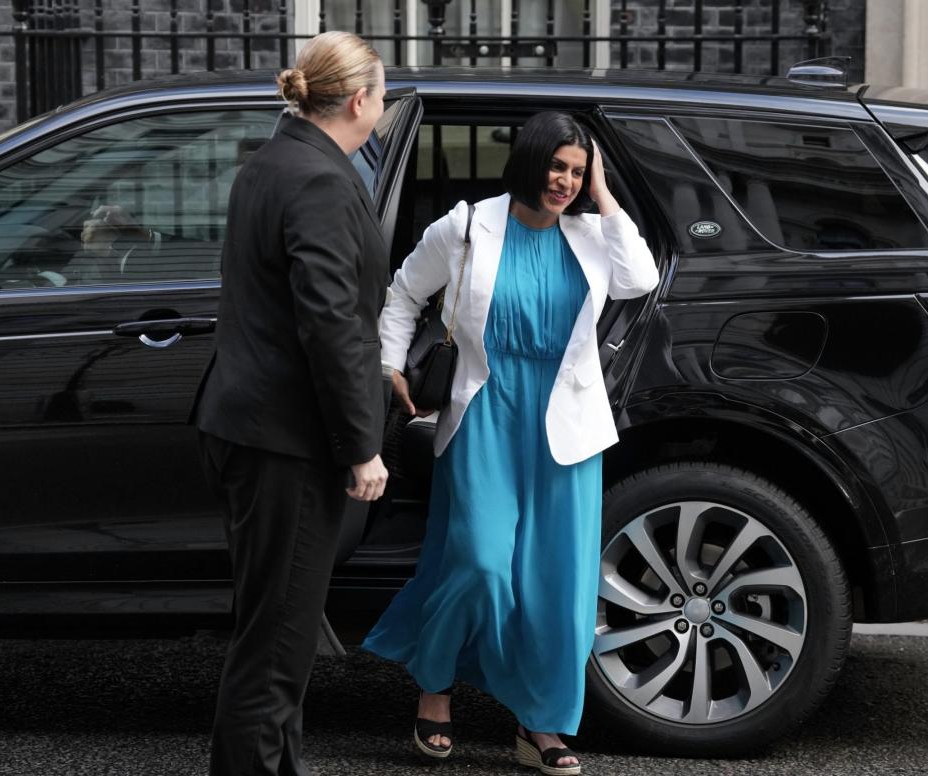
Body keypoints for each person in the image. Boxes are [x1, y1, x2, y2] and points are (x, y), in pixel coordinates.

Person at [364, 111, 659, 775]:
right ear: (529, 162)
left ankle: (540, 725)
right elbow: (404, 293)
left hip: (567, 427)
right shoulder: (469, 225)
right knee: (480, 563)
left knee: (556, 587)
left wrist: (605, 195)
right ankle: (435, 683)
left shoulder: (590, 234)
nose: (565, 181)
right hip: (485, 414)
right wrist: (388, 364)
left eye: (577, 172)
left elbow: (638, 279)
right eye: (557, 166)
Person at [190, 30, 390, 776]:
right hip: (286, 440)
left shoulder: (271, 162)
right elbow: (328, 321)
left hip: (250, 426)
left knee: (273, 637)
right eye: (383, 94)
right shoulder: (320, 179)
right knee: (274, 649)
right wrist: (361, 445)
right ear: (362, 99)